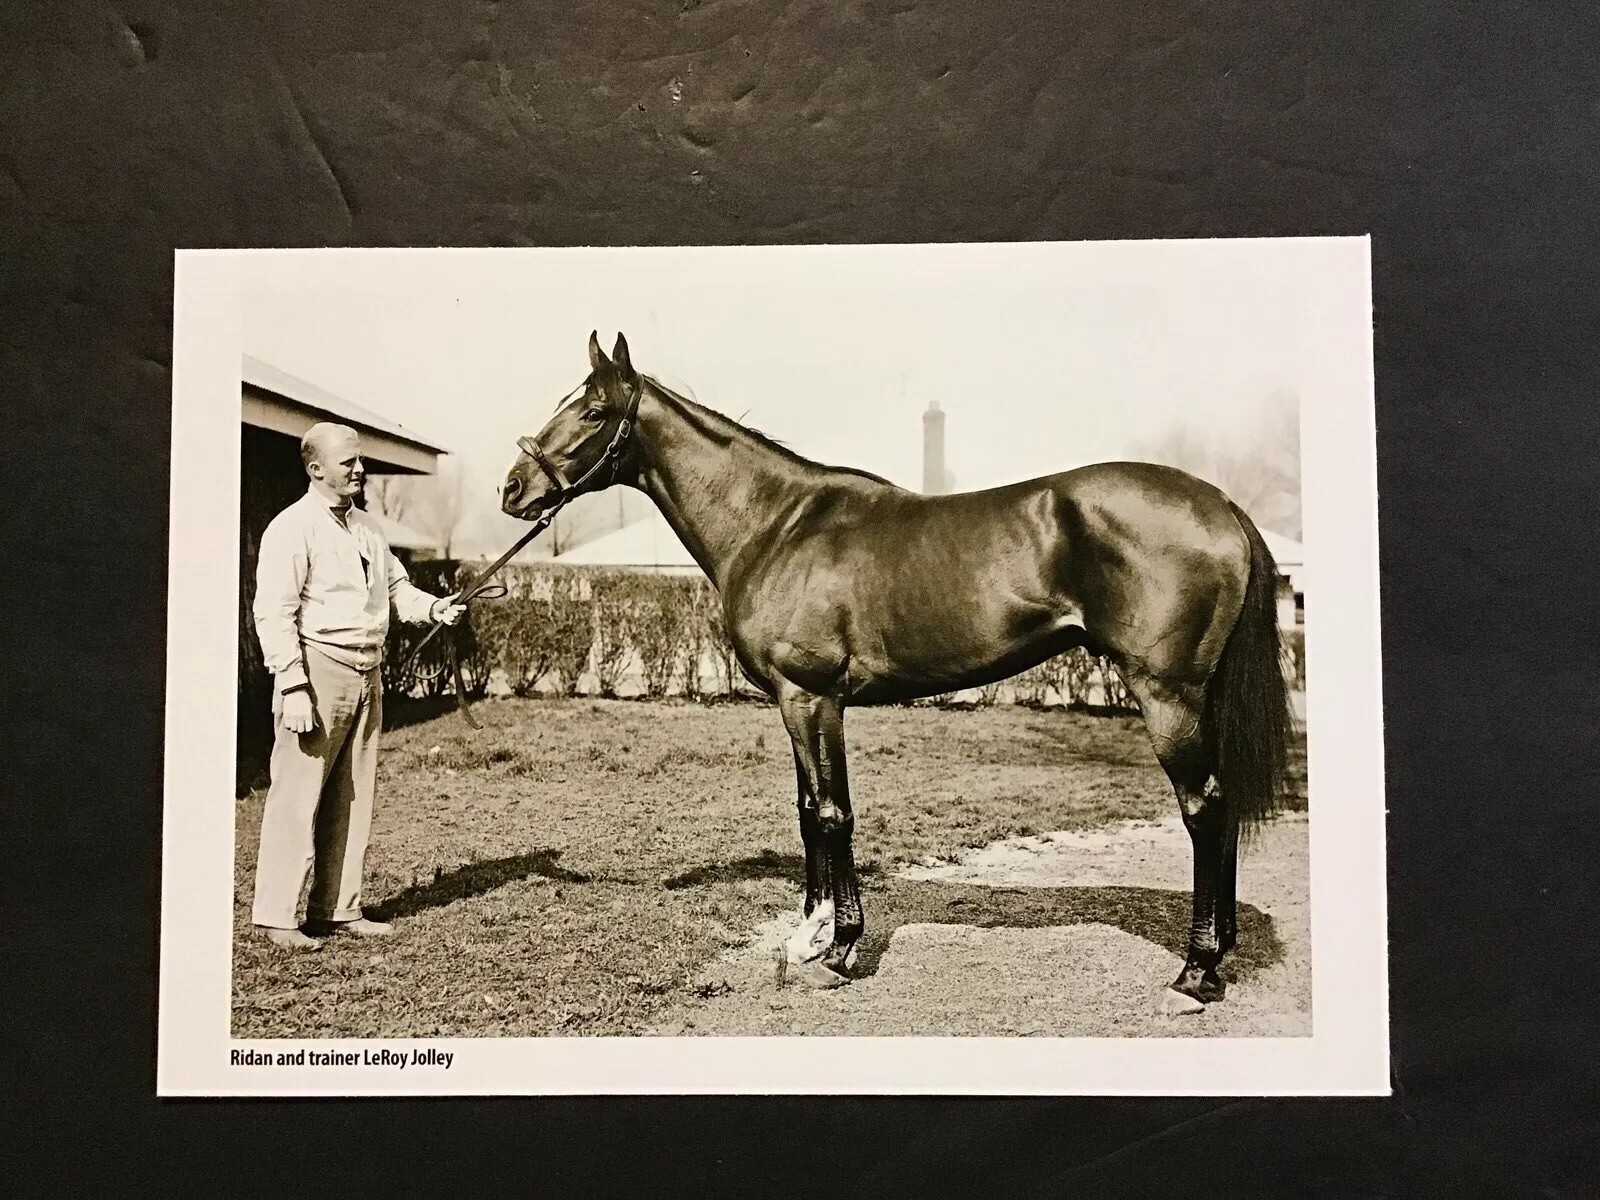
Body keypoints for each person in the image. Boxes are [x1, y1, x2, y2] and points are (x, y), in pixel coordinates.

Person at [250, 422, 466, 951]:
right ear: (315, 468)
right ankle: (277, 915)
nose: (360, 469)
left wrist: (435, 608)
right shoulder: (292, 527)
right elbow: (272, 613)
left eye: (359, 460)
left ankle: (337, 909)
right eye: (348, 462)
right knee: (298, 797)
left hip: (368, 672)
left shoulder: (368, 527)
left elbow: (395, 589)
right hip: (317, 672)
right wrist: (293, 685)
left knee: (352, 795)